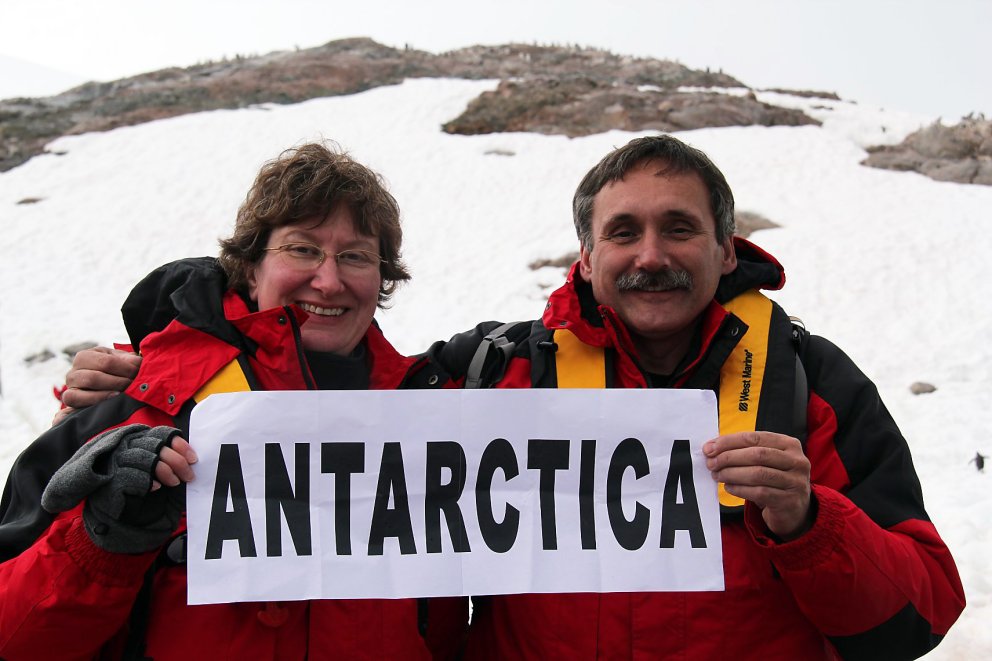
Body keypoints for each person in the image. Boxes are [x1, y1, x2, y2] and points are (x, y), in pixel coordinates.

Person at [57, 135, 966, 659]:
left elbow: (921, 617)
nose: (650, 252)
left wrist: (813, 523)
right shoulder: (494, 370)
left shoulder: (812, 383)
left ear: (729, 250)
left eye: (679, 227)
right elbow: (318, 384)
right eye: (623, 231)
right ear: (587, 256)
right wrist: (141, 373)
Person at [0, 143, 466, 660]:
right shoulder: (132, 412)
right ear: (248, 267)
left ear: (381, 277)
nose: (329, 281)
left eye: (355, 256)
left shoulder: (428, 424)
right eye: (302, 249)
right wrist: (102, 545)